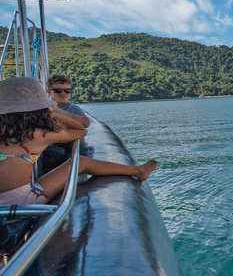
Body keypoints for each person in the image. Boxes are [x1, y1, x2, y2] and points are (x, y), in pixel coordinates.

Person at [0, 77, 158, 205]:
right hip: (21, 201)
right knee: (81, 162)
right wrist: (53, 113)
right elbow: (81, 131)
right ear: (39, 109)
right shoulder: (38, 135)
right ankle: (139, 171)